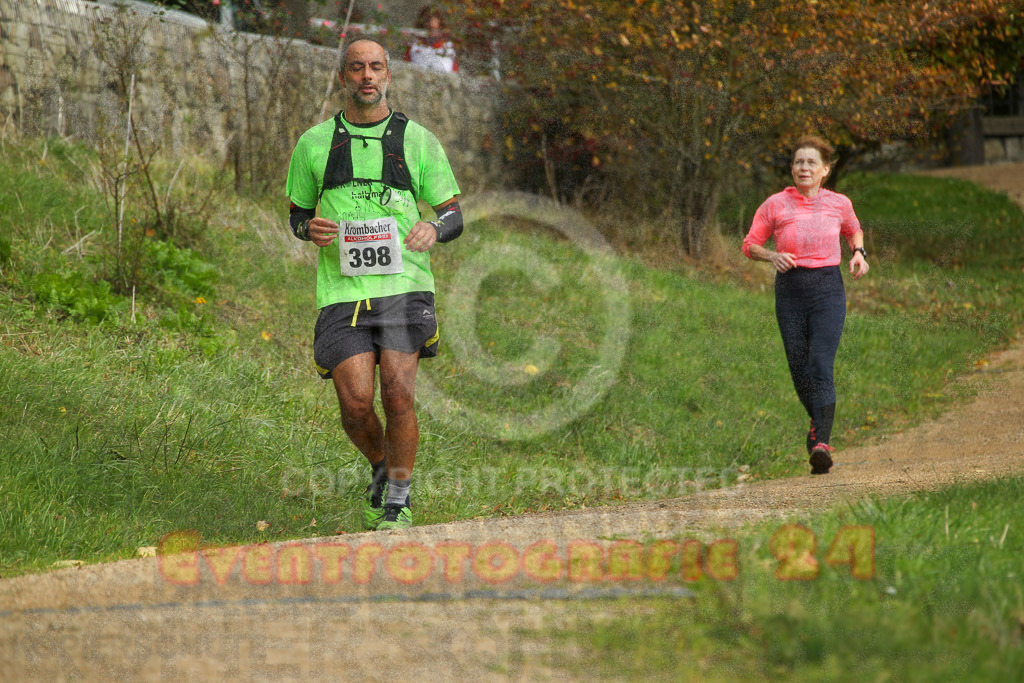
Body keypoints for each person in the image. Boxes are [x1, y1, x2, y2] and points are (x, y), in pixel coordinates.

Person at [286, 38, 463, 529]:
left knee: (398, 395)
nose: (367, 76)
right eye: (357, 68)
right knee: (355, 405)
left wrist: (434, 228)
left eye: (376, 67)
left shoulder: (418, 140)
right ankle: (383, 465)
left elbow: (453, 214)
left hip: (405, 285)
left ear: (388, 75)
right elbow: (298, 214)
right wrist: (308, 228)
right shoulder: (314, 143)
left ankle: (398, 501)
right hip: (343, 290)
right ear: (343, 76)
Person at [742, 136, 869, 475]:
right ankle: (817, 423)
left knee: (820, 364)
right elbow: (750, 244)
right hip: (790, 292)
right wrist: (772, 256)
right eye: (799, 162)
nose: (804, 168)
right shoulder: (775, 205)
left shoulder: (838, 203)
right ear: (792, 168)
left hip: (828, 291)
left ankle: (821, 444)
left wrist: (858, 252)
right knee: (799, 369)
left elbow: (853, 230)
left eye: (812, 162)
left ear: (825, 170)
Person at [403, 6, 458, 73]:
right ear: (422, 24)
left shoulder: (448, 45)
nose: (431, 24)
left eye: (434, 20)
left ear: (440, 23)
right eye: (427, 20)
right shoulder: (413, 45)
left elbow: (454, 71)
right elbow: (405, 68)